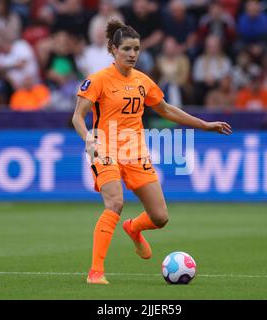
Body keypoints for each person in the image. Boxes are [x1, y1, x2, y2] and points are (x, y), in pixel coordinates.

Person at [72, 20, 232, 285]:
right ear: (113, 50)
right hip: (105, 149)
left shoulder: (143, 81)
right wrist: (90, 141)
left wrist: (204, 125)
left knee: (160, 217)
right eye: (126, 49)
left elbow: (167, 110)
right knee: (115, 202)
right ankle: (96, 272)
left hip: (135, 153)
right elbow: (78, 117)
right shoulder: (98, 80)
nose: (133, 54)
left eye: (136, 48)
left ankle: (133, 228)